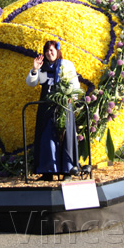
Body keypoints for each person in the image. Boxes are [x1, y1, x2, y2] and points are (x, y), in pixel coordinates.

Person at [26, 40, 81, 181]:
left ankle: (67, 170)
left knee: (65, 136)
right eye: (47, 51)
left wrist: (71, 97)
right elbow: (31, 83)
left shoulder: (66, 64)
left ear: (57, 51)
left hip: (63, 105)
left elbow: (74, 83)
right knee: (47, 137)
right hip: (46, 107)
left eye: (52, 50)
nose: (50, 53)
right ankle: (48, 171)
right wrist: (34, 69)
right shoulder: (42, 67)